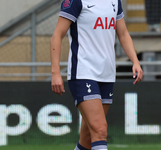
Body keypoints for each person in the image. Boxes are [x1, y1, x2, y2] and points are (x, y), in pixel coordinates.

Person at [50, 0, 143, 150]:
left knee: (87, 138)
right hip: (83, 72)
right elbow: (57, 35)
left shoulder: (115, 1)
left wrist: (135, 61)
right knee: (100, 130)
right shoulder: (76, 1)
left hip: (106, 74)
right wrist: (55, 72)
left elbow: (123, 34)